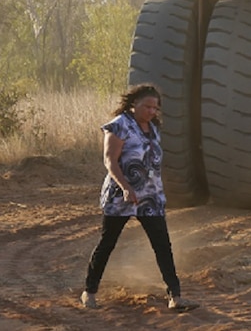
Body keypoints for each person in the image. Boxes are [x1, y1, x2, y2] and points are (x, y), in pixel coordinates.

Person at [81, 83, 193, 311]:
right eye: (148, 106)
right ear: (134, 104)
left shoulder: (153, 128)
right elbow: (110, 161)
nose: (152, 111)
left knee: (162, 245)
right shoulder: (119, 126)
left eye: (155, 108)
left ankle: (175, 297)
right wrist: (125, 187)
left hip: (150, 198)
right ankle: (89, 293)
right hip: (120, 197)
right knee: (107, 244)